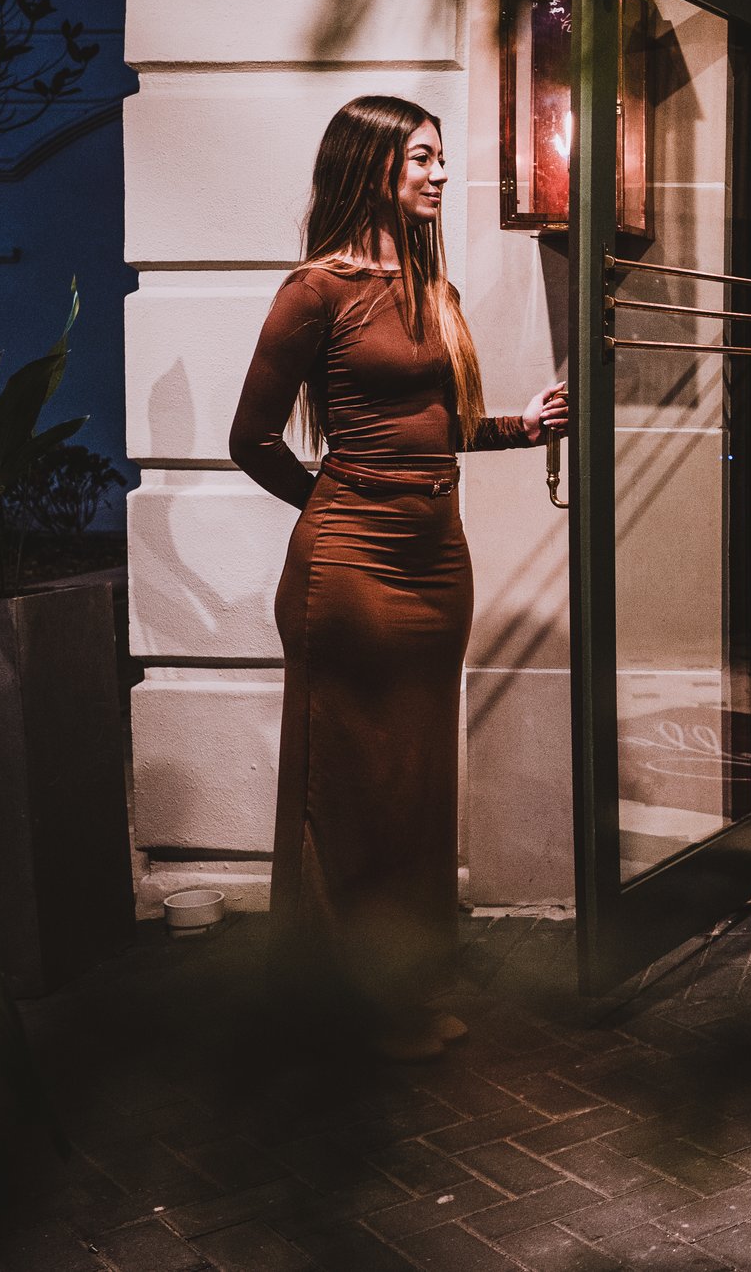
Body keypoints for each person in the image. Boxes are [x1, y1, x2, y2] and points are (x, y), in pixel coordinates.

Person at [229, 95, 568, 1062]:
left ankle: (404, 972)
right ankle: (338, 1003)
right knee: (352, 781)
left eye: (439, 158)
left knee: (418, 779)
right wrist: (336, 507)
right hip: (354, 562)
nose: (439, 173)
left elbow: (447, 422)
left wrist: (526, 425)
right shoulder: (317, 290)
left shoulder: (434, 288)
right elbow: (249, 438)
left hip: (435, 559)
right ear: (372, 165)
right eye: (421, 157)